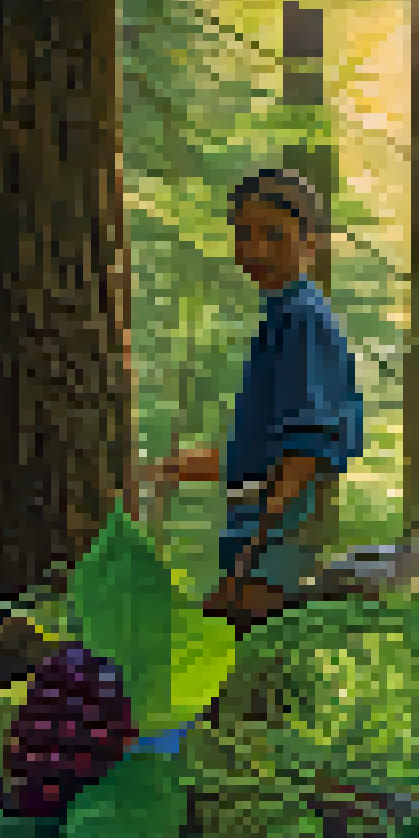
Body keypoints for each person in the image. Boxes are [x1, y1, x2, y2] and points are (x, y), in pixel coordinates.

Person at [138, 168, 364, 634]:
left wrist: (255, 555)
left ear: (312, 242)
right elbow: (259, 454)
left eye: (273, 236)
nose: (255, 251)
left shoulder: (304, 321)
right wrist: (169, 469)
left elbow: (306, 450)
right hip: (259, 546)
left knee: (244, 662)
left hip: (275, 552)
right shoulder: (282, 317)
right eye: (244, 235)